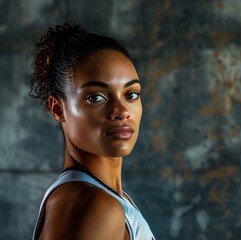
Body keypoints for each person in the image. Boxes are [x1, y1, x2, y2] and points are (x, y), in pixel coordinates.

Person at [30, 23, 155, 240]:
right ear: (58, 108)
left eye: (131, 94)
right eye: (96, 97)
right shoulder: (95, 206)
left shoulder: (101, 198)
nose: (122, 111)